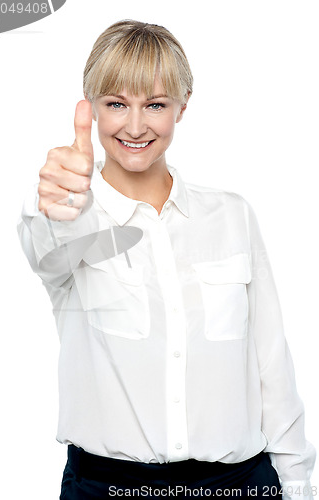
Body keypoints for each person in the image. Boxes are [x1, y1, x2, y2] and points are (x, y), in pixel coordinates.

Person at [17, 19, 316, 500]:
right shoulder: (73, 218)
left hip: (239, 484)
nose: (135, 127)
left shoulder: (231, 215)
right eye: (116, 104)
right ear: (91, 105)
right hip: (108, 487)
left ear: (183, 106)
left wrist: (298, 481)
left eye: (154, 105)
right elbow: (44, 248)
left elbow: (271, 363)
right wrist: (51, 205)